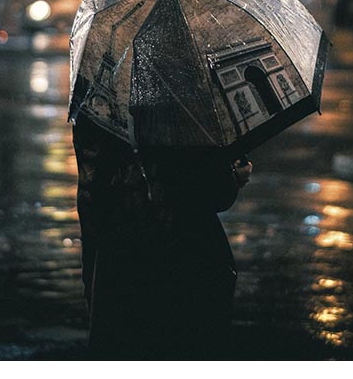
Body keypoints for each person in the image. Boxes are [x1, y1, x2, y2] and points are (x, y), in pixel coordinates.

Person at [73, 114, 252, 359]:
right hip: (181, 264)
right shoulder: (183, 105)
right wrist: (234, 176)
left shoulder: (94, 107)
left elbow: (91, 189)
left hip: (113, 265)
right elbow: (210, 190)